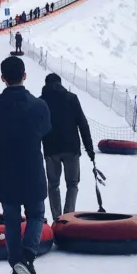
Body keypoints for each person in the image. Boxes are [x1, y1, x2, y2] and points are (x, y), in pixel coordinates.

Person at [0, 57, 51, 274]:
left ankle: (16, 269)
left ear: (2, 78)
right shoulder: (39, 106)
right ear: (24, 76)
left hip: (5, 172)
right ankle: (28, 255)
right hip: (32, 170)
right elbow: (45, 131)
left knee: (11, 220)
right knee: (36, 215)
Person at [40, 73, 94, 221]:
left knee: (53, 185)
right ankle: (68, 218)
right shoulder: (71, 98)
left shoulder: (41, 102)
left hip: (51, 150)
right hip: (71, 148)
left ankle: (57, 218)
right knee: (72, 184)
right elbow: (82, 124)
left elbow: (36, 128)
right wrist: (89, 149)